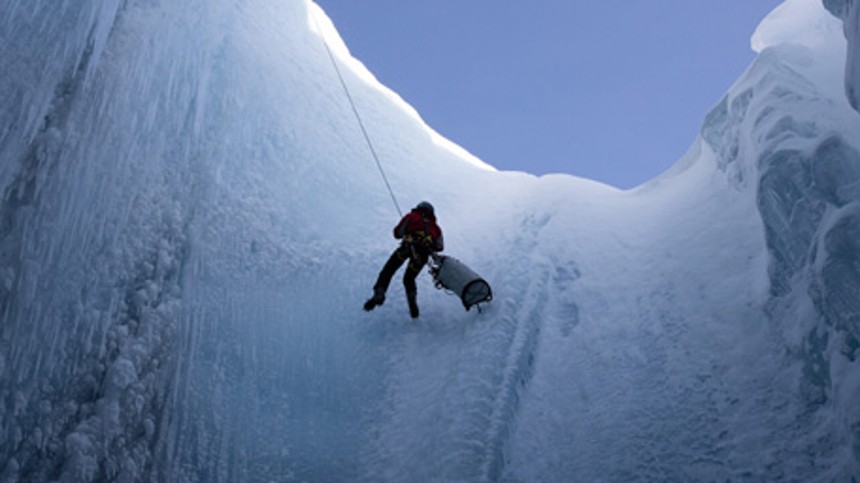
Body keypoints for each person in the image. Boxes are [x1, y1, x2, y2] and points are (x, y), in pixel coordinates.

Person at [364, 201, 444, 318]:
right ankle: (412, 304)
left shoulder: (411, 216)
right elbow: (440, 247)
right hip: (421, 256)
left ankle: (379, 293)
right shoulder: (436, 228)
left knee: (389, 270)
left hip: (406, 248)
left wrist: (409, 231)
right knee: (409, 279)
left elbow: (397, 233)